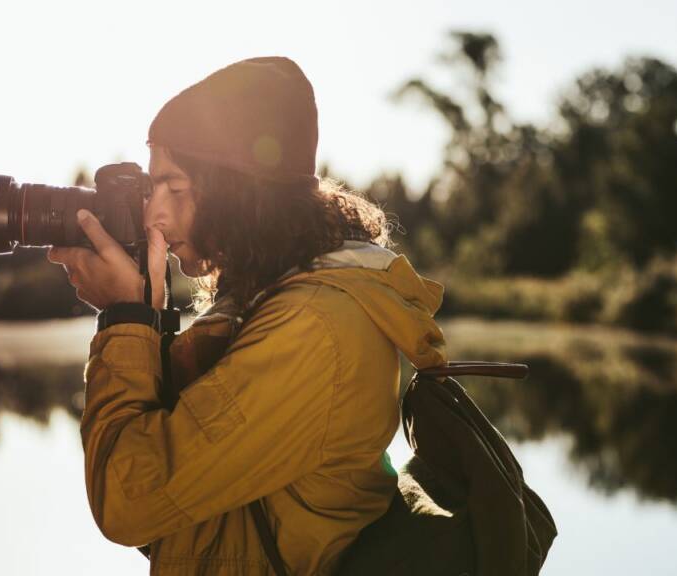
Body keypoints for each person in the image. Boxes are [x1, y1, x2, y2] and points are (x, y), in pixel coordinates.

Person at [48, 56, 447, 575]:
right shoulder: (278, 300)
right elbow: (185, 519)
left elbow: (131, 501)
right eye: (152, 190)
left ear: (238, 192)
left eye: (177, 188)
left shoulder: (312, 328)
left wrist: (125, 320)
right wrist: (146, 315)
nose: (154, 217)